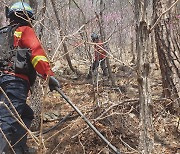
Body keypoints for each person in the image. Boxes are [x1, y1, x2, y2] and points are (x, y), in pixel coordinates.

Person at [0, 2, 60, 154]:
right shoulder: (25, 30)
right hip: (15, 83)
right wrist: (49, 76)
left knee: (25, 114)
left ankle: (17, 148)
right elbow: (37, 54)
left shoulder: (2, 33)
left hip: (2, 83)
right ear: (28, 17)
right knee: (7, 120)